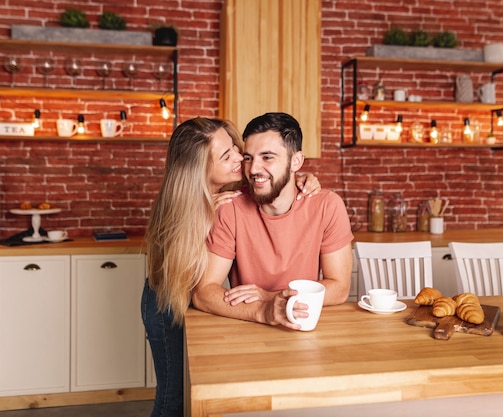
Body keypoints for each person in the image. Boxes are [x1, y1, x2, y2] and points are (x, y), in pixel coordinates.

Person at [141, 116, 321, 417]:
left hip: (199, 303)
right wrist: (206, 214)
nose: (241, 158)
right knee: (173, 395)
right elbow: (178, 274)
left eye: (237, 148)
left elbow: (273, 178)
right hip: (167, 303)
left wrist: (303, 177)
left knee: (199, 392)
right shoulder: (184, 205)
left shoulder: (233, 187)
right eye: (228, 156)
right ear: (200, 168)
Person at [192, 112, 353, 329]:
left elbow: (340, 288)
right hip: (248, 327)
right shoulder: (229, 208)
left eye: (267, 157)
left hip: (305, 326)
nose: (254, 169)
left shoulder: (327, 205)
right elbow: (203, 293)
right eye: (248, 158)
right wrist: (263, 310)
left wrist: (269, 297)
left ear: (296, 161)